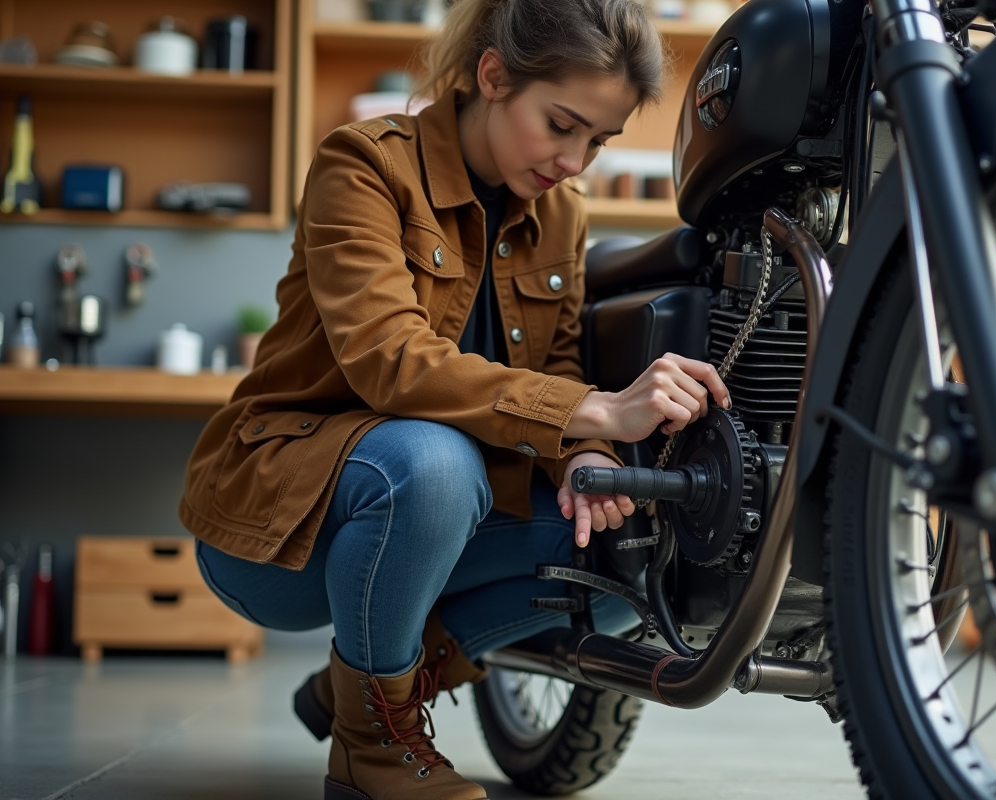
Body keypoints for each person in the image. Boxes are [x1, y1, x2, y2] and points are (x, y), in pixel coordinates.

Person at [178, 0, 730, 798]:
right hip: (278, 524)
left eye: (598, 141)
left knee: (630, 553)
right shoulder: (362, 164)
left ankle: (364, 690)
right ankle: (370, 753)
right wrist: (594, 412)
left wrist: (585, 456)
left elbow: (564, 367)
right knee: (434, 463)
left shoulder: (559, 214)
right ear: (494, 74)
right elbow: (388, 362)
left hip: (442, 511)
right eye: (561, 125)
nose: (575, 161)